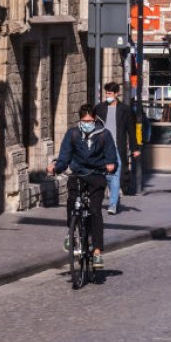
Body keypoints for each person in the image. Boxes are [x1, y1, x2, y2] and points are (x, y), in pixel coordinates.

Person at [48, 104, 118, 270]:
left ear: (94, 120)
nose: (87, 123)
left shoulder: (104, 135)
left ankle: (97, 251)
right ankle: (70, 233)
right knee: (72, 203)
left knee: (95, 210)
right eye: (84, 120)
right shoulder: (72, 134)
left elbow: (111, 156)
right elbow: (64, 157)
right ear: (80, 120)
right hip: (78, 174)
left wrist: (110, 165)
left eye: (90, 120)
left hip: (96, 176)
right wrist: (56, 168)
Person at [94, 82, 139, 215]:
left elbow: (131, 130)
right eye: (106, 93)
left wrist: (134, 148)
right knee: (101, 175)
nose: (107, 95)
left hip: (117, 147)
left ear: (116, 94)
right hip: (102, 147)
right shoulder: (99, 108)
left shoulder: (125, 110)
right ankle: (104, 198)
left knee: (115, 175)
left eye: (109, 93)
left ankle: (112, 204)